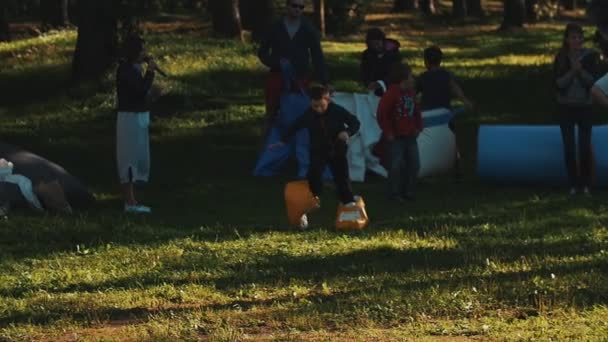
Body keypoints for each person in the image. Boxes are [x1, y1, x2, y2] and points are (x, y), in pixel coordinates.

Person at [269, 85, 360, 227]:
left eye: (321, 106)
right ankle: (308, 205)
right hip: (318, 150)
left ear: (328, 100)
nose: (318, 109)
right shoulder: (309, 114)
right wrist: (282, 140)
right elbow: (295, 126)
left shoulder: (337, 111)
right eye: (315, 106)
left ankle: (348, 205)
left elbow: (355, 122)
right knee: (314, 176)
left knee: (341, 177)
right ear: (311, 102)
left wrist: (347, 133)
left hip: (337, 149)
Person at [258, 0, 328, 129]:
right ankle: (269, 144)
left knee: (301, 112)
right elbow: (262, 52)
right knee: (272, 112)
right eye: (294, 6)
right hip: (277, 76)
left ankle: (298, 144)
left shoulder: (308, 28)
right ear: (287, 6)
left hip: (300, 77)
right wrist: (276, 63)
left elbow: (317, 56)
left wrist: (323, 81)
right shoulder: (275, 26)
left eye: (301, 7)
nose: (297, 9)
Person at [553, 23, 601, 195]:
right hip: (566, 108)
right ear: (567, 39)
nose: (577, 41)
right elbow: (558, 84)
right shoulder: (561, 58)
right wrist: (572, 72)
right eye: (573, 37)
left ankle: (586, 184)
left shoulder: (590, 57)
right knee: (569, 146)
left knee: (584, 146)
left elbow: (594, 83)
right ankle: (573, 184)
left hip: (585, 107)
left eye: (579, 37)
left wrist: (580, 71)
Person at [116, 35, 160, 213]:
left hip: (139, 116)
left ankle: (132, 200)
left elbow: (142, 92)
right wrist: (150, 72)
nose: (145, 53)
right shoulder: (126, 70)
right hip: (129, 118)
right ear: (134, 52)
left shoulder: (134, 68)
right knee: (129, 158)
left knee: (138, 156)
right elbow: (139, 91)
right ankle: (130, 202)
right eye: (142, 50)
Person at [416, 45, 473, 177]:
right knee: (452, 138)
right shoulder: (446, 75)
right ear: (440, 60)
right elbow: (455, 89)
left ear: (425, 61)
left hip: (428, 116)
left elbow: (413, 94)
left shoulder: (423, 77)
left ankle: (429, 160)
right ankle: (456, 164)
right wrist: (465, 101)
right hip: (445, 114)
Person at [377, 63, 422, 202]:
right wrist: (389, 131)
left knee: (414, 163)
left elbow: (416, 112)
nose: (413, 79)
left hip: (410, 135)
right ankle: (394, 193)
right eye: (411, 77)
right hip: (396, 137)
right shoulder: (391, 94)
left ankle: (409, 191)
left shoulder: (411, 93)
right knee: (396, 165)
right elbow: (382, 114)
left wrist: (418, 127)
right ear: (403, 80)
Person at [359, 28, 402, 96]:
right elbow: (364, 71)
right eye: (373, 45)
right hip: (373, 90)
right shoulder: (367, 55)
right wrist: (368, 83)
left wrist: (382, 83)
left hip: (391, 89)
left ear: (382, 41)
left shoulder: (393, 54)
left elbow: (397, 73)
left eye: (378, 43)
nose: (377, 46)